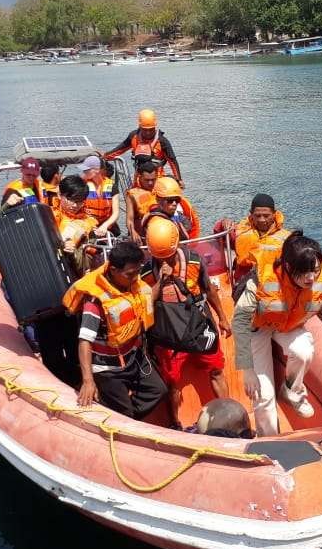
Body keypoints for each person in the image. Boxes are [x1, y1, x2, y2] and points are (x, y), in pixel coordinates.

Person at [232, 231, 322, 436]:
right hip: (258, 328)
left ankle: (292, 390)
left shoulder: (317, 285)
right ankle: (269, 440)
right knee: (263, 395)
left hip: (287, 326)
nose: (310, 278)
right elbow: (240, 322)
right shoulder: (261, 282)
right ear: (288, 267)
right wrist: (247, 369)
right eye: (304, 272)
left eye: (314, 271)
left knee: (304, 350)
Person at [63, 241, 169, 418]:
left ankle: (126, 417)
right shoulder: (96, 301)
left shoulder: (134, 285)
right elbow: (84, 341)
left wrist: (161, 281)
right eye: (130, 274)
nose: (135, 277)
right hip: (108, 370)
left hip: (133, 359)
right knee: (124, 413)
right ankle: (122, 416)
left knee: (158, 390)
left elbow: (146, 301)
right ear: (113, 270)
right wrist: (88, 381)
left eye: (137, 272)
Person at [142, 218, 232, 420]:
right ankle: (175, 421)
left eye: (168, 255)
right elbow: (146, 303)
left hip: (199, 326)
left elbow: (208, 289)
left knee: (216, 370)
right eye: (159, 257)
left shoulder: (194, 261)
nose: (164, 261)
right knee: (172, 381)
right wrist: (161, 281)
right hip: (170, 334)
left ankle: (227, 415)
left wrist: (223, 318)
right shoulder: (146, 273)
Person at [217, 193, 291, 280]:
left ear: (274, 214)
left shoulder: (287, 238)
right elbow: (220, 237)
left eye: (266, 216)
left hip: (272, 283)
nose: (262, 220)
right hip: (244, 281)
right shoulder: (241, 232)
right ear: (251, 214)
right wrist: (222, 224)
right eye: (257, 215)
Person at [102, 108, 184, 184]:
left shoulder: (162, 141)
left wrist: (179, 180)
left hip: (157, 180)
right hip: (139, 179)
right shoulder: (133, 136)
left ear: (155, 127)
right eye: (145, 130)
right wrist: (104, 157)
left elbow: (172, 161)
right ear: (139, 126)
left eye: (151, 129)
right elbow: (119, 150)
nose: (148, 133)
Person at [52, 175, 98, 275]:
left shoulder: (88, 225)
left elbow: (86, 265)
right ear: (59, 194)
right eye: (71, 199)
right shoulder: (46, 215)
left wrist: (73, 253)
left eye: (79, 201)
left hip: (68, 275)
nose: (75, 205)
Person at [145, 177, 200, 241]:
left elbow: (188, 225)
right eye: (170, 200)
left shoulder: (177, 215)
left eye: (177, 200)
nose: (174, 203)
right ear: (159, 200)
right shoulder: (155, 220)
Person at [78, 155, 120, 239]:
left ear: (97, 170)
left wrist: (105, 226)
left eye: (86, 169)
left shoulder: (111, 186)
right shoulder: (82, 185)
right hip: (88, 224)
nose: (84, 171)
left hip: (106, 225)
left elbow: (116, 212)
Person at [125, 161, 160, 245]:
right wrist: (132, 231)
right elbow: (129, 219)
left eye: (153, 180)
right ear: (140, 177)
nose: (150, 183)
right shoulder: (132, 194)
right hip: (142, 235)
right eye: (147, 180)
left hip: (161, 232)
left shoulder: (162, 190)